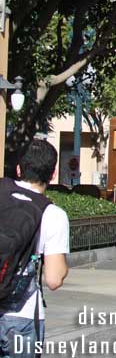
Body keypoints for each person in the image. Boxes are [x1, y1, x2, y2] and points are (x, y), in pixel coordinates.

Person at [0, 139, 69, 357]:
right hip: (20, 316)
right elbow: (53, 279)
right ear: (53, 173)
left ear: (19, 169)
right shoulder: (53, 215)